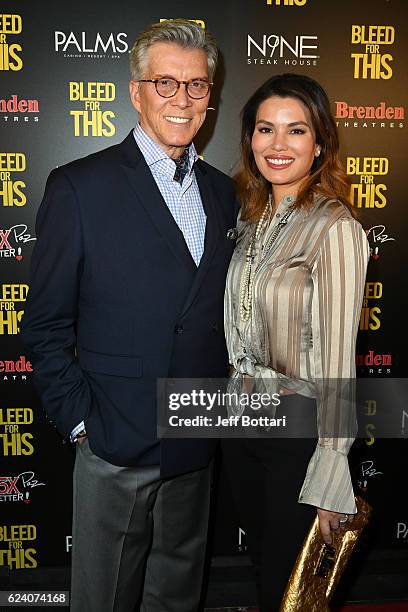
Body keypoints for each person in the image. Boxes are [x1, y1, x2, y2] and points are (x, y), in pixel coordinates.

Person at [22, 19, 237, 612]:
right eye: (165, 84)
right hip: (113, 444)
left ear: (210, 98)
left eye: (196, 86)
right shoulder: (78, 187)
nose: (183, 99)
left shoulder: (227, 194)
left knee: (177, 599)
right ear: (135, 91)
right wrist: (83, 425)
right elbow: (43, 325)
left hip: (196, 440)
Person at [222, 73, 369, 611]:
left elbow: (337, 363)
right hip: (240, 423)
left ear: (320, 143)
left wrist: (332, 472)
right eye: (265, 129)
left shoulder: (336, 229)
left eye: (296, 131)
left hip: (298, 431)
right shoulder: (250, 219)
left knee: (290, 590)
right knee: (266, 572)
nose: (277, 145)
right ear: (251, 139)